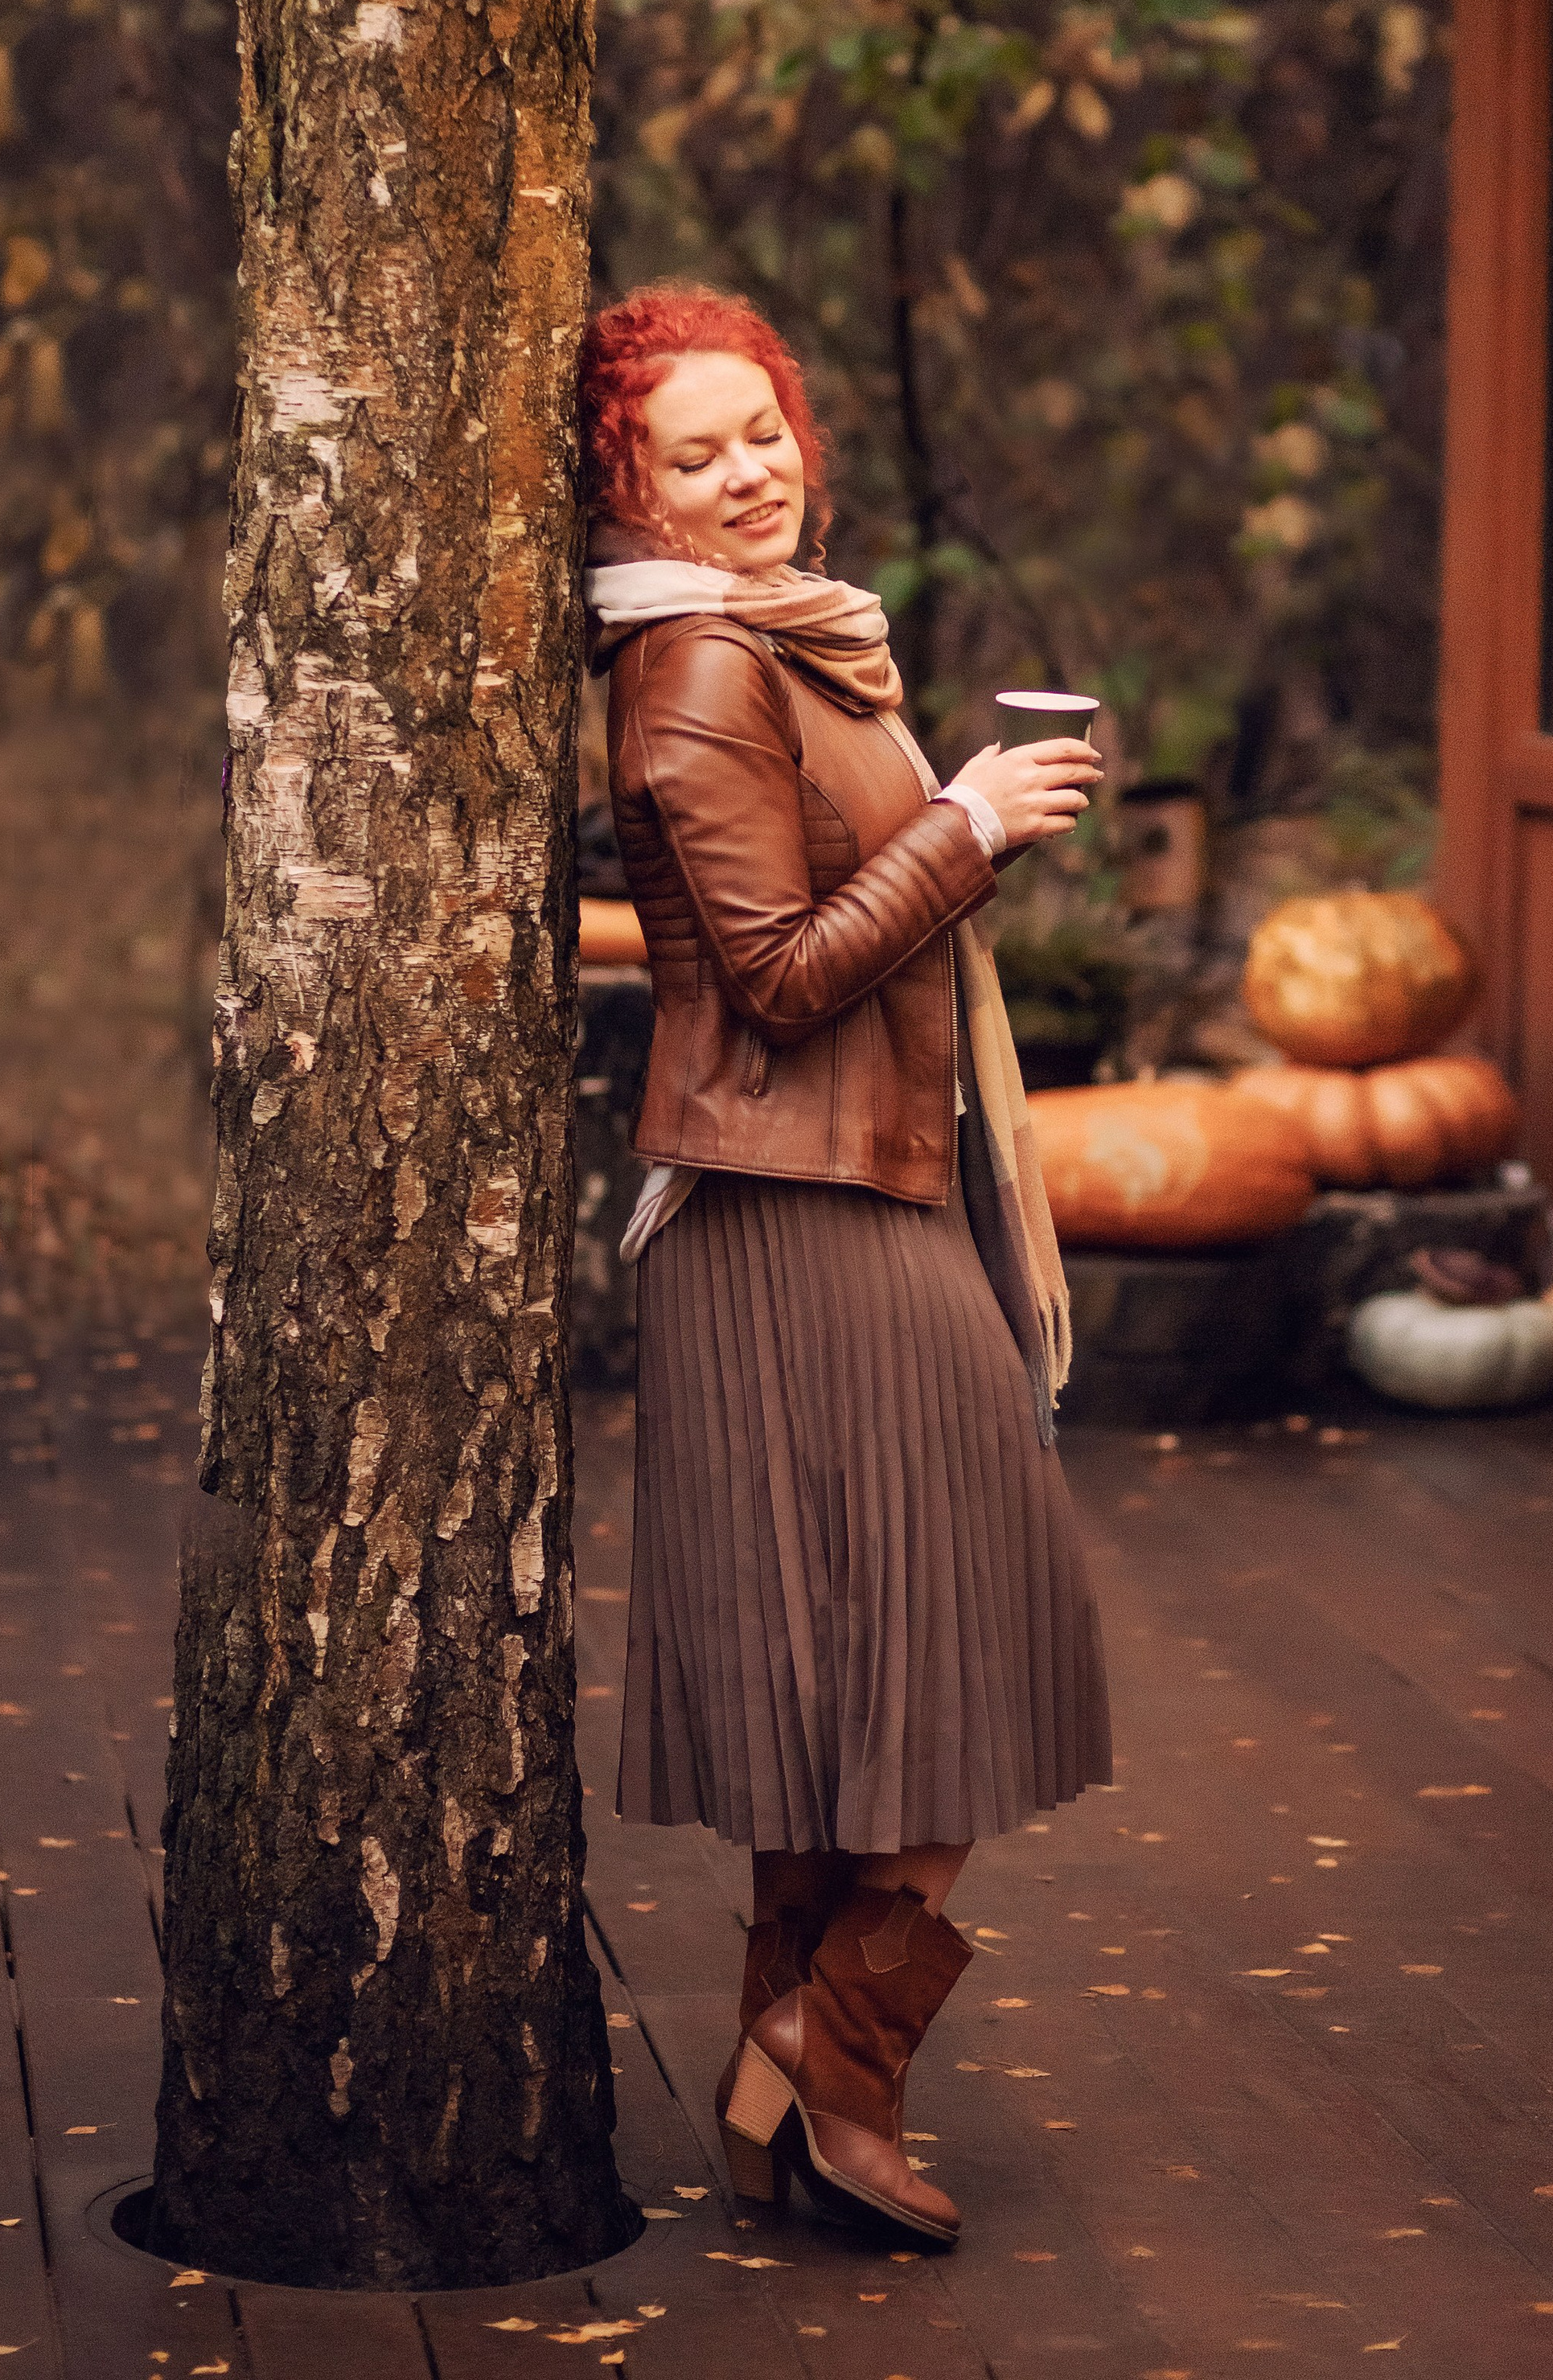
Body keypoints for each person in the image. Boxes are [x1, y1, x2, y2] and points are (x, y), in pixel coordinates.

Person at [580, 279, 1113, 2251]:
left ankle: (785, 2093)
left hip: (852, 1191)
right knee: (980, 1626)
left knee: (846, 1687)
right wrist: (966, 824)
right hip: (792, 1208)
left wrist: (955, 812)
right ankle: (825, 2058)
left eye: (762, 433)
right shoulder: (699, 672)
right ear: (630, 492)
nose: (746, 476)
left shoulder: (804, 648)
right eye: (690, 453)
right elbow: (780, 976)